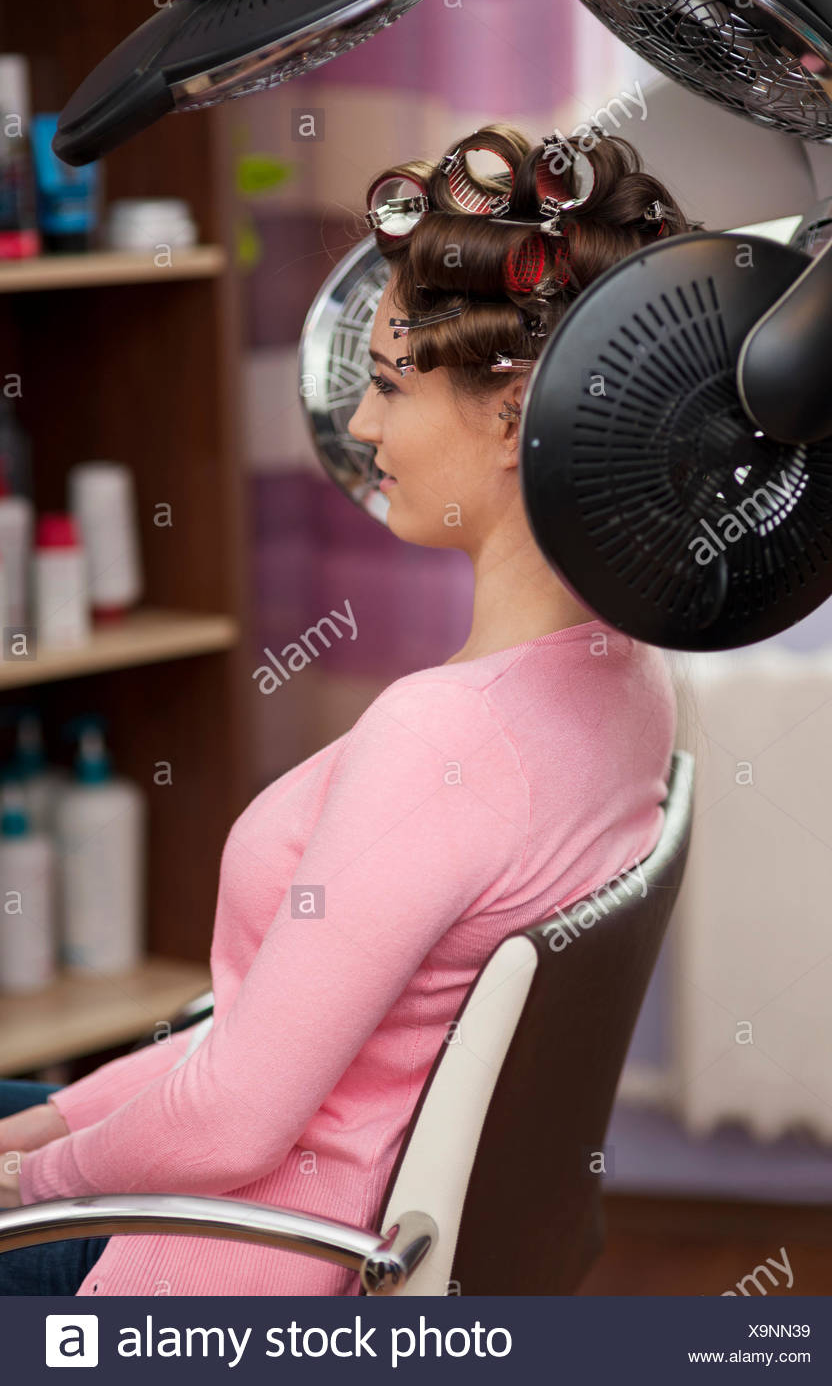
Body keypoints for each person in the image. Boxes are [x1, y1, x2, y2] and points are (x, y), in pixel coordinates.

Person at [0, 123, 691, 1296]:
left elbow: (227, 1123)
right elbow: (256, 1041)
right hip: (278, 1184)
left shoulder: (444, 738)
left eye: (383, 385)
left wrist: (26, 1183)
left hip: (215, 1271)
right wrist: (46, 1124)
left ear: (515, 407)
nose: (360, 430)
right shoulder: (626, 675)